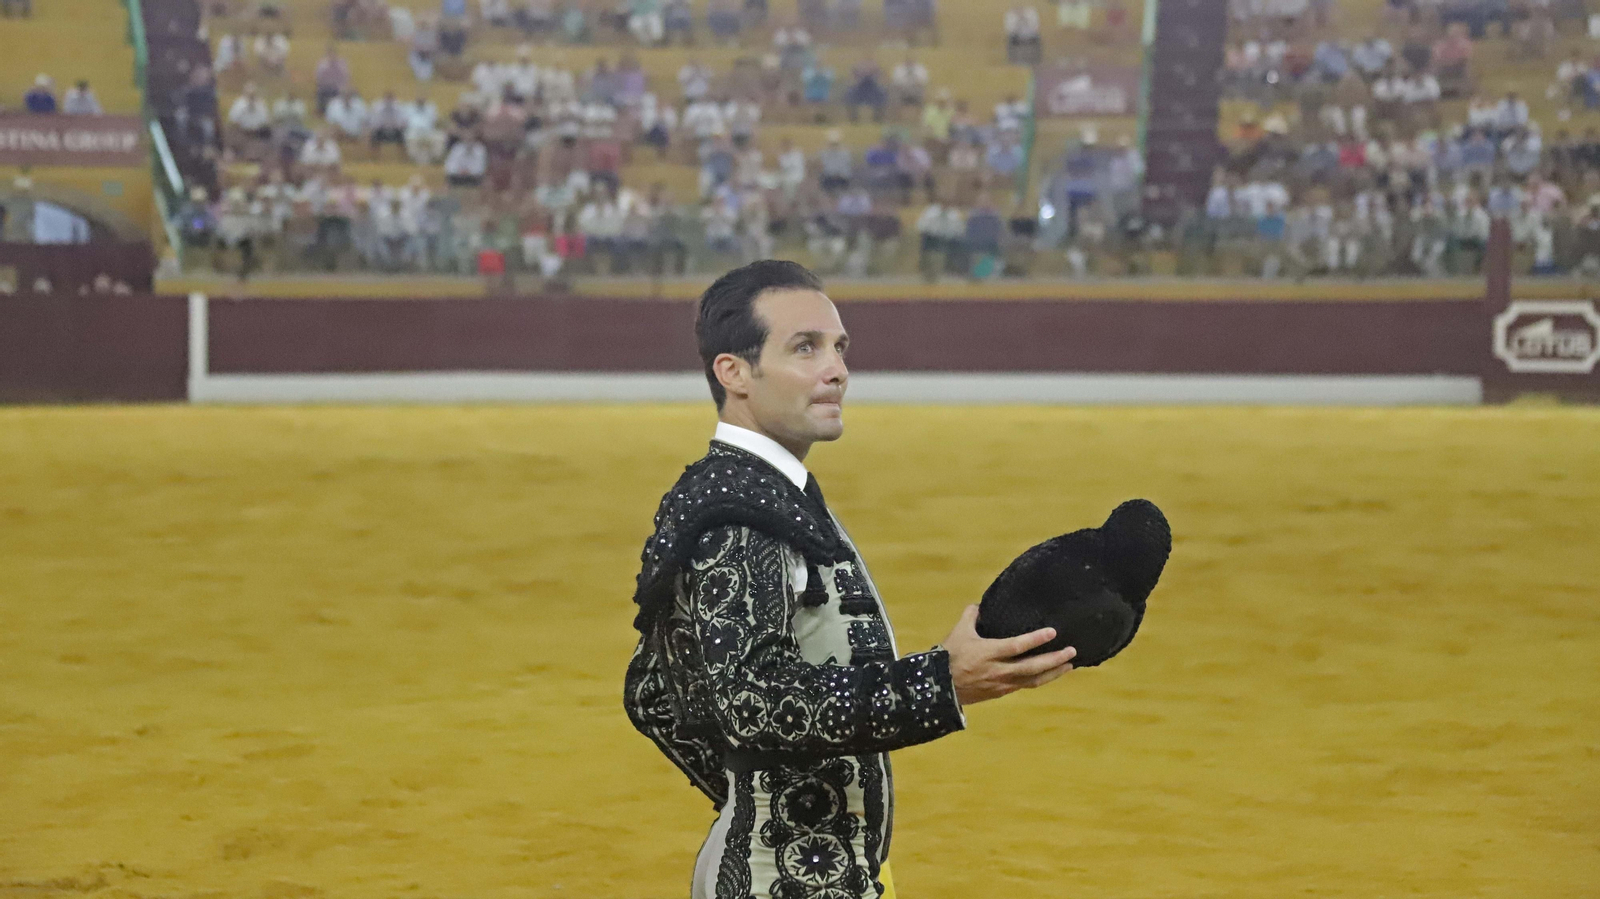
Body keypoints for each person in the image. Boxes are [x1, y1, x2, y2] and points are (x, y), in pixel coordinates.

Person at [623, 260, 1079, 899]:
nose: (837, 369)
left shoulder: (751, 492)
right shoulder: (743, 513)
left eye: (839, 348)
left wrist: (760, 807)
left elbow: (653, 692)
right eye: (805, 348)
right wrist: (942, 681)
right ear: (735, 372)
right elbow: (751, 700)